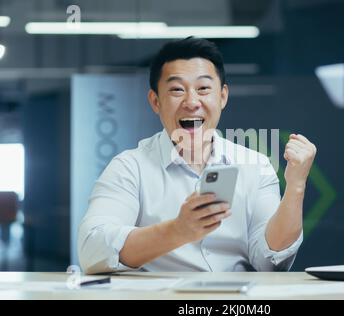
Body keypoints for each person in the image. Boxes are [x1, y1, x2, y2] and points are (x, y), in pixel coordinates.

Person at [78, 37, 316, 274]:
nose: (192, 102)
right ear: (155, 101)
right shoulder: (130, 167)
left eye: (203, 89)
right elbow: (92, 250)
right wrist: (177, 231)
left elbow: (270, 261)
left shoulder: (256, 165)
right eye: (177, 90)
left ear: (222, 97)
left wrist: (296, 186)